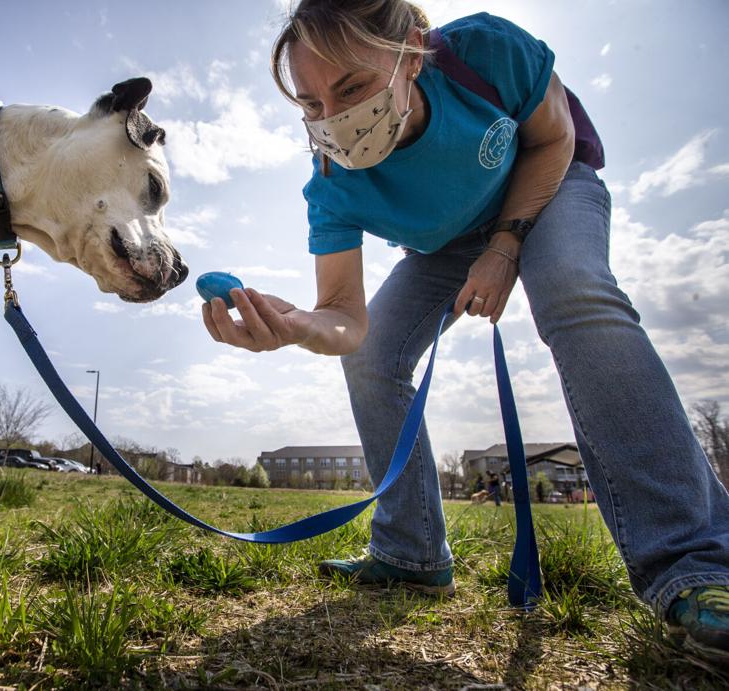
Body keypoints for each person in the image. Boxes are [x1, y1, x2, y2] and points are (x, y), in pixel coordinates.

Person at [201, 0, 729, 659]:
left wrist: (506, 245)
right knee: (372, 356)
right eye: (309, 104)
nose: (331, 119)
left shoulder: (485, 51)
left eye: (353, 88)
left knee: (571, 289)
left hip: (546, 182)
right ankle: (410, 549)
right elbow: (344, 318)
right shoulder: (332, 182)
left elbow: (552, 137)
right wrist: (301, 325)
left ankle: (696, 561)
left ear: (413, 55)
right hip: (446, 245)